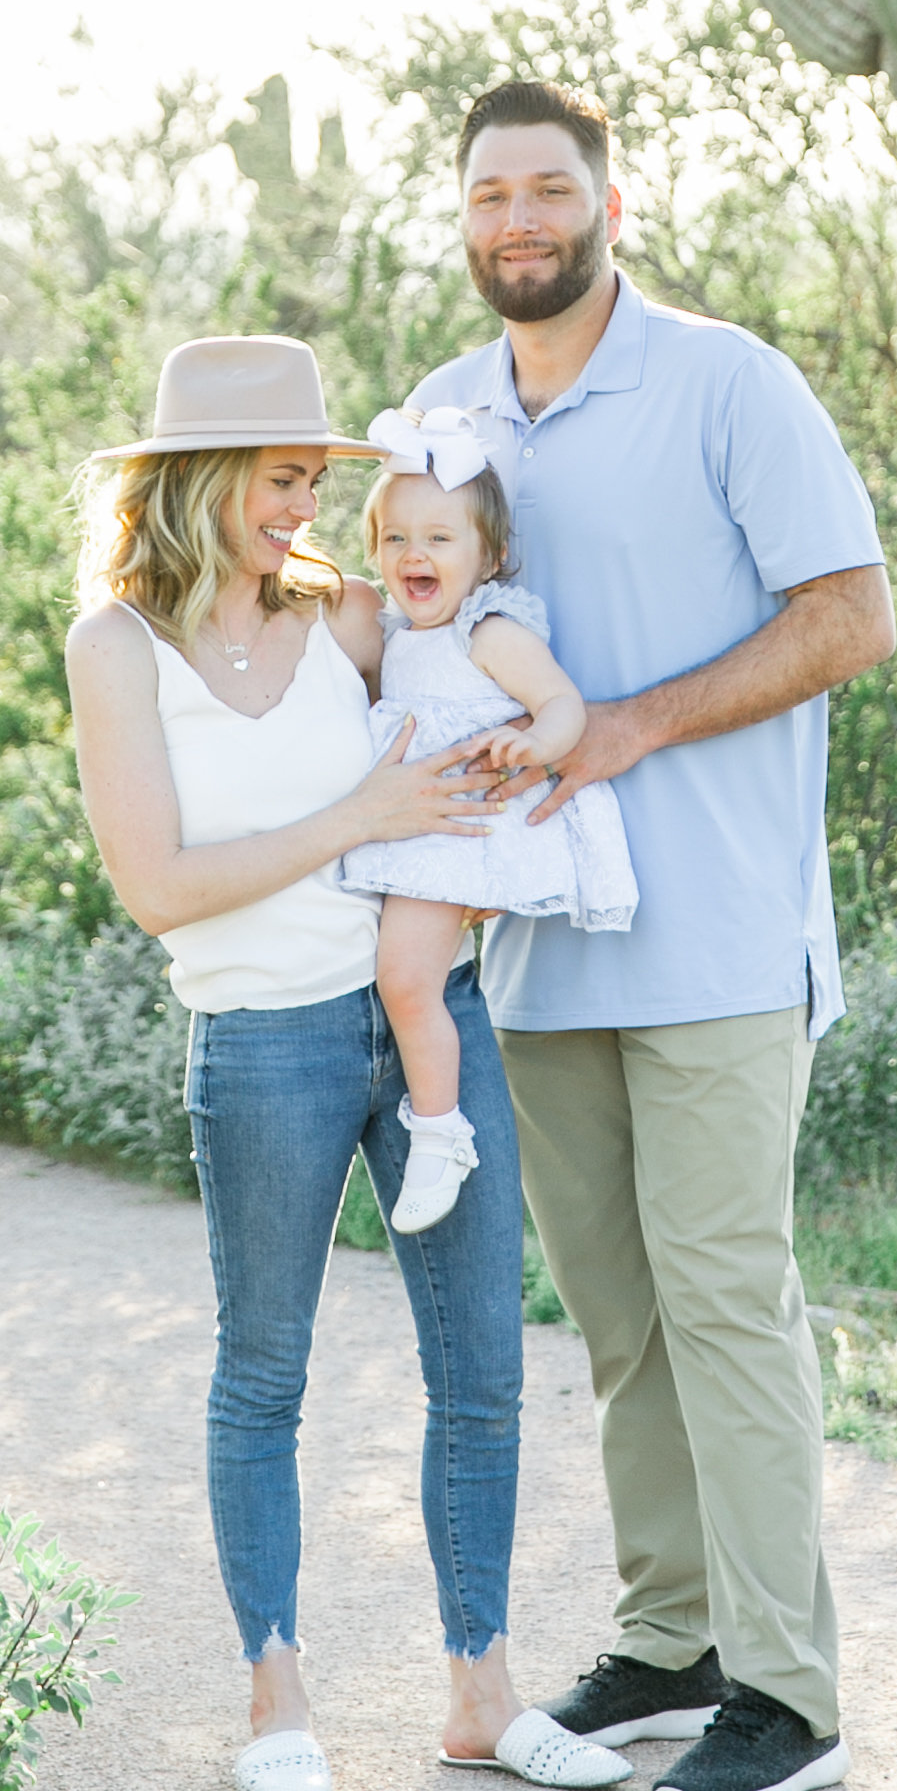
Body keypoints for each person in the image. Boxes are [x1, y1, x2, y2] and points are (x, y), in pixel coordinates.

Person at [403, 82, 897, 1791]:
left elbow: (853, 613)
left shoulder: (726, 381)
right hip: (542, 955)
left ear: (608, 199)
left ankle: (790, 1684)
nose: (518, 218)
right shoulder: (450, 414)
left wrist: (625, 725)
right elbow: (408, 618)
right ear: (461, 218)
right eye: (490, 194)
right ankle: (672, 1633)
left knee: (726, 1306)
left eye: (548, 187)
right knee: (619, 1321)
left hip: (716, 936)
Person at [65, 330, 632, 1791]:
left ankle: (482, 1693)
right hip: (263, 1041)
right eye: (279, 479)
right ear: (195, 478)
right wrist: (363, 810)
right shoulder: (115, 645)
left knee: (486, 1371)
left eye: (317, 480)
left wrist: (510, 803)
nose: (302, 508)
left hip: (429, 1017)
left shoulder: (348, 614)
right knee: (264, 1373)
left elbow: (472, 667)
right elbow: (160, 884)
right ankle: (275, 1695)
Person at [335, 405, 636, 1236]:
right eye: (395, 540)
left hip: (458, 831)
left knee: (406, 978)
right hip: (414, 828)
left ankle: (440, 1130)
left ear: (490, 557)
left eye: (438, 539)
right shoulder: (397, 632)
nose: (413, 556)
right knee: (403, 978)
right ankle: (432, 1117)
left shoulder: (487, 629)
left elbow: (563, 705)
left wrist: (531, 740)